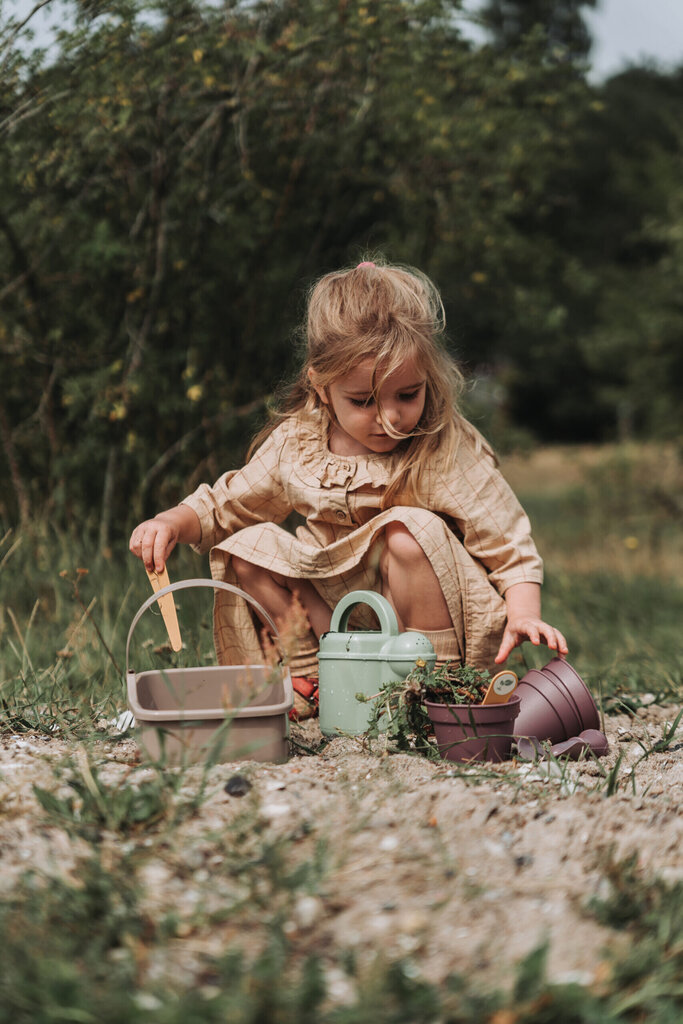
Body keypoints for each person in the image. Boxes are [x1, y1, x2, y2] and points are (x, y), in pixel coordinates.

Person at [130, 260, 567, 718]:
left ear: (428, 380)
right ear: (321, 386)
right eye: (362, 401)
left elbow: (506, 539)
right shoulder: (301, 441)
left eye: (407, 395)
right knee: (246, 545)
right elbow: (230, 504)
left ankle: (434, 687)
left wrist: (523, 612)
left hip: (418, 616)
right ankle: (312, 677)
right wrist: (171, 523)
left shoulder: (437, 443)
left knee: (406, 531)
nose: (390, 418)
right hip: (332, 612)